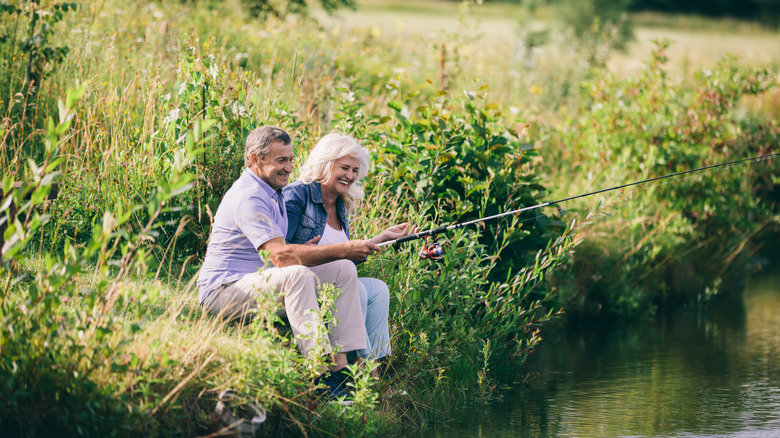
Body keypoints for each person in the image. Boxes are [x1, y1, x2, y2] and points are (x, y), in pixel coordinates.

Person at [197, 126, 381, 401]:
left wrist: (312, 253)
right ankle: (319, 375)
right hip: (224, 292)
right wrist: (341, 248)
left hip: (258, 282)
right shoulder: (250, 197)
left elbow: (282, 251)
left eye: (291, 159)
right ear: (254, 160)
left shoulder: (274, 191)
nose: (289, 167)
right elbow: (281, 256)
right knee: (298, 274)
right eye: (280, 161)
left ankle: (341, 365)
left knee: (343, 268)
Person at [283, 133, 419, 366]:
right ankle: (358, 369)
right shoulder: (298, 194)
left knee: (377, 289)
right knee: (360, 290)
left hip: (334, 282)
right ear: (325, 164)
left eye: (355, 170)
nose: (350, 176)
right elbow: (278, 251)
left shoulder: (339, 204)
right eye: (344, 167)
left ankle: (376, 364)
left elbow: (343, 260)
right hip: (301, 283)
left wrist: (381, 238)